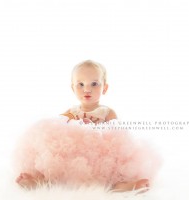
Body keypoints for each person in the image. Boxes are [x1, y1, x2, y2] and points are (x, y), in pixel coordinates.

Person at [14, 60, 161, 192]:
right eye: (81, 84)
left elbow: (117, 134)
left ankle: (122, 186)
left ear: (105, 88)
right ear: (73, 88)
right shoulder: (72, 112)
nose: (87, 89)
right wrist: (75, 124)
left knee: (114, 169)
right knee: (54, 153)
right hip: (76, 158)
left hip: (101, 157)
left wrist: (97, 128)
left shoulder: (107, 112)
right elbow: (58, 128)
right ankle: (41, 180)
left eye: (94, 84)